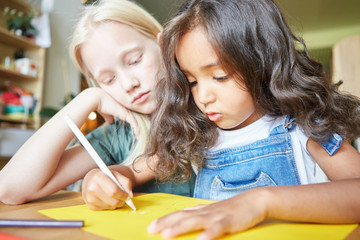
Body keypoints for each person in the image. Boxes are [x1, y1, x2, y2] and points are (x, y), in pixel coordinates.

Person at [143, 0, 360, 239]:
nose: (203, 97)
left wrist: (262, 201)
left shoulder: (301, 127)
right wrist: (111, 177)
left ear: (261, 62)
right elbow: (138, 170)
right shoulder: (199, 134)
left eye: (220, 76)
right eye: (192, 81)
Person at [0, 0, 194, 207]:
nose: (129, 84)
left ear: (162, 43)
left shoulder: (209, 101)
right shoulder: (118, 136)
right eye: (108, 80)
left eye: (135, 60)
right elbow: (9, 189)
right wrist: (88, 98)